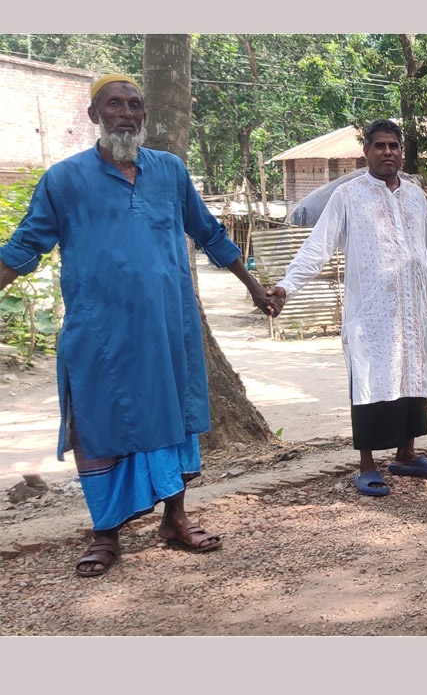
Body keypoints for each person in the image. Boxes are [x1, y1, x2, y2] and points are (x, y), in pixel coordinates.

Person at [0, 75, 275, 576]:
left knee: (174, 422)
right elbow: (24, 246)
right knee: (98, 424)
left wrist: (254, 286)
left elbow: (208, 232)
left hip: (168, 330)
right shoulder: (64, 180)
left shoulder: (169, 171)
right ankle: (105, 534)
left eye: (134, 105)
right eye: (114, 105)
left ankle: (175, 519)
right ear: (94, 116)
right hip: (100, 333)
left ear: (143, 116)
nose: (125, 113)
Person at [266, 120, 427, 496]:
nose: (388, 152)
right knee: (369, 383)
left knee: (411, 380)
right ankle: (366, 464)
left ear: (402, 152)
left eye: (394, 146)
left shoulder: (416, 197)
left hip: (411, 311)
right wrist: (287, 286)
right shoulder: (348, 196)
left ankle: (406, 455)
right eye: (380, 145)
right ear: (366, 151)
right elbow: (317, 249)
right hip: (370, 314)